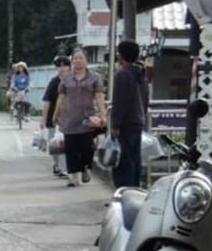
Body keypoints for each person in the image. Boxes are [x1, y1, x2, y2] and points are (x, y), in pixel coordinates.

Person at [56, 47, 107, 187]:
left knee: (86, 147)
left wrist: (103, 115)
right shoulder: (66, 79)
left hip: (87, 119)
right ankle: (73, 177)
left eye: (80, 58)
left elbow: (99, 97)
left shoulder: (94, 78)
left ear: (86, 60)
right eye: (75, 58)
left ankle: (85, 167)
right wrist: (56, 114)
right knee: (71, 148)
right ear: (72, 61)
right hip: (69, 118)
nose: (78, 61)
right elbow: (61, 97)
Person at [110, 39, 149, 188]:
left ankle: (123, 192)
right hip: (138, 121)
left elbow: (120, 102)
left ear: (121, 55)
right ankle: (134, 189)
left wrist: (115, 125)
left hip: (125, 124)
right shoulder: (141, 74)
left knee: (123, 160)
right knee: (135, 159)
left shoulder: (122, 74)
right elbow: (145, 99)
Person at [39, 55, 70, 177]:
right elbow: (47, 101)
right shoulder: (54, 82)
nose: (62, 69)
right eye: (59, 66)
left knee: (65, 144)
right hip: (53, 118)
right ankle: (57, 165)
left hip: (69, 118)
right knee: (55, 145)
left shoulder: (73, 81)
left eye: (65, 66)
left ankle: (64, 168)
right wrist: (43, 119)